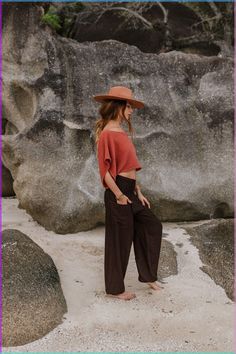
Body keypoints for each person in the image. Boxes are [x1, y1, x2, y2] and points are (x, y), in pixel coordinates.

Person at [93, 86, 163, 301]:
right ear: (119, 107)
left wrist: (137, 192)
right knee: (119, 241)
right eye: (129, 106)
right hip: (118, 191)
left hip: (130, 190)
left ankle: (149, 276)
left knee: (151, 225)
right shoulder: (107, 134)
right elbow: (105, 172)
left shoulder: (121, 132)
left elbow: (129, 167)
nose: (132, 111)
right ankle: (115, 290)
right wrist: (119, 195)